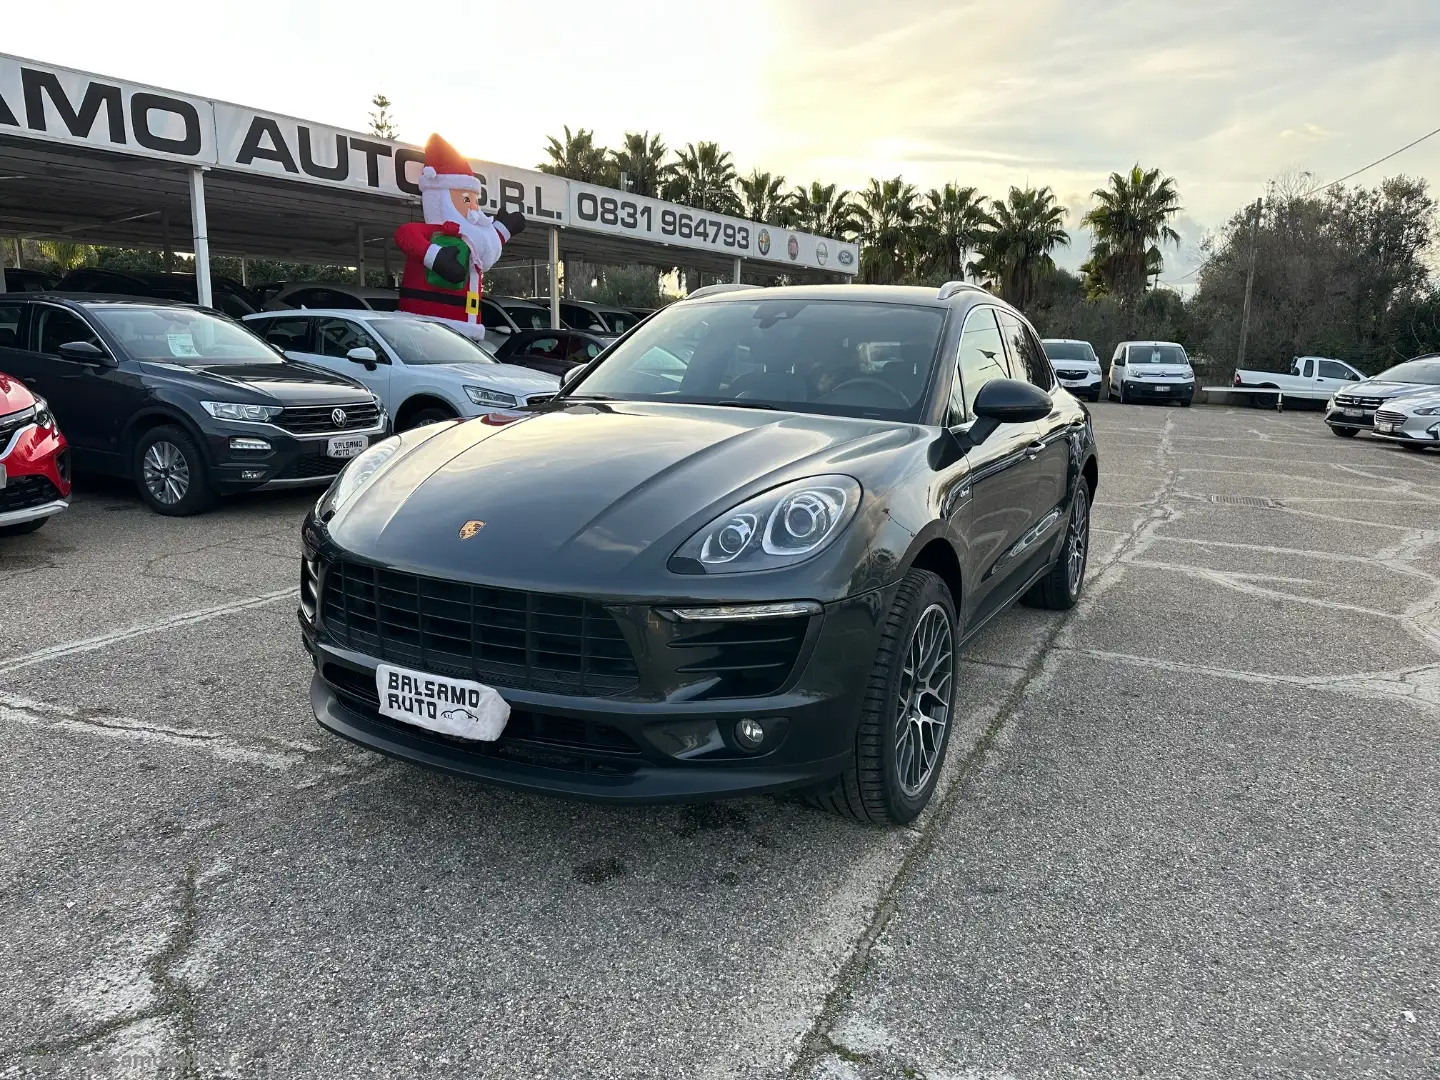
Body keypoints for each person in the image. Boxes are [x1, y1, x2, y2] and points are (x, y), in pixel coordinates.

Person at [392, 133, 526, 340]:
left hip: (466, 333)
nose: (474, 209)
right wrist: (436, 257)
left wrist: (505, 228)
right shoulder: (434, 232)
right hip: (427, 330)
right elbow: (405, 234)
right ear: (441, 198)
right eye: (466, 199)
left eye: (474, 201)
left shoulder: (472, 237)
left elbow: (486, 246)